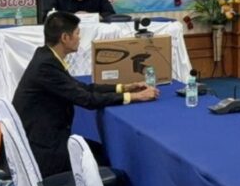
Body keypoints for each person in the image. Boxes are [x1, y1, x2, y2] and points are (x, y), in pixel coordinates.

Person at [11, 11, 158, 176]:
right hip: (43, 150)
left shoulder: (46, 56)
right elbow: (87, 99)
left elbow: (82, 88)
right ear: (65, 37)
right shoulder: (46, 66)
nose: (79, 38)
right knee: (107, 161)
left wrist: (124, 88)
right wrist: (135, 97)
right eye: (77, 34)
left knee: (102, 152)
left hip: (44, 137)